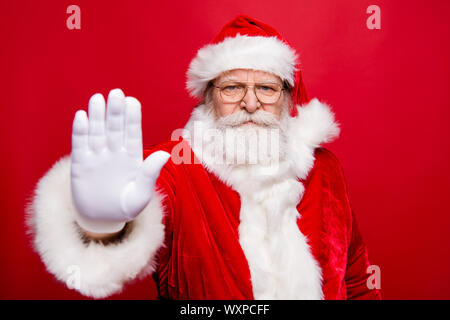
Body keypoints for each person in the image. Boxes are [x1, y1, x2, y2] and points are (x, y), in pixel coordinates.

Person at [27, 14, 381, 300]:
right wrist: (101, 227)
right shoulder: (175, 166)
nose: (251, 103)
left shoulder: (324, 169)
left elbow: (357, 281)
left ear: (289, 99)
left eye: (267, 88)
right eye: (232, 87)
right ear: (208, 98)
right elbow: (135, 203)